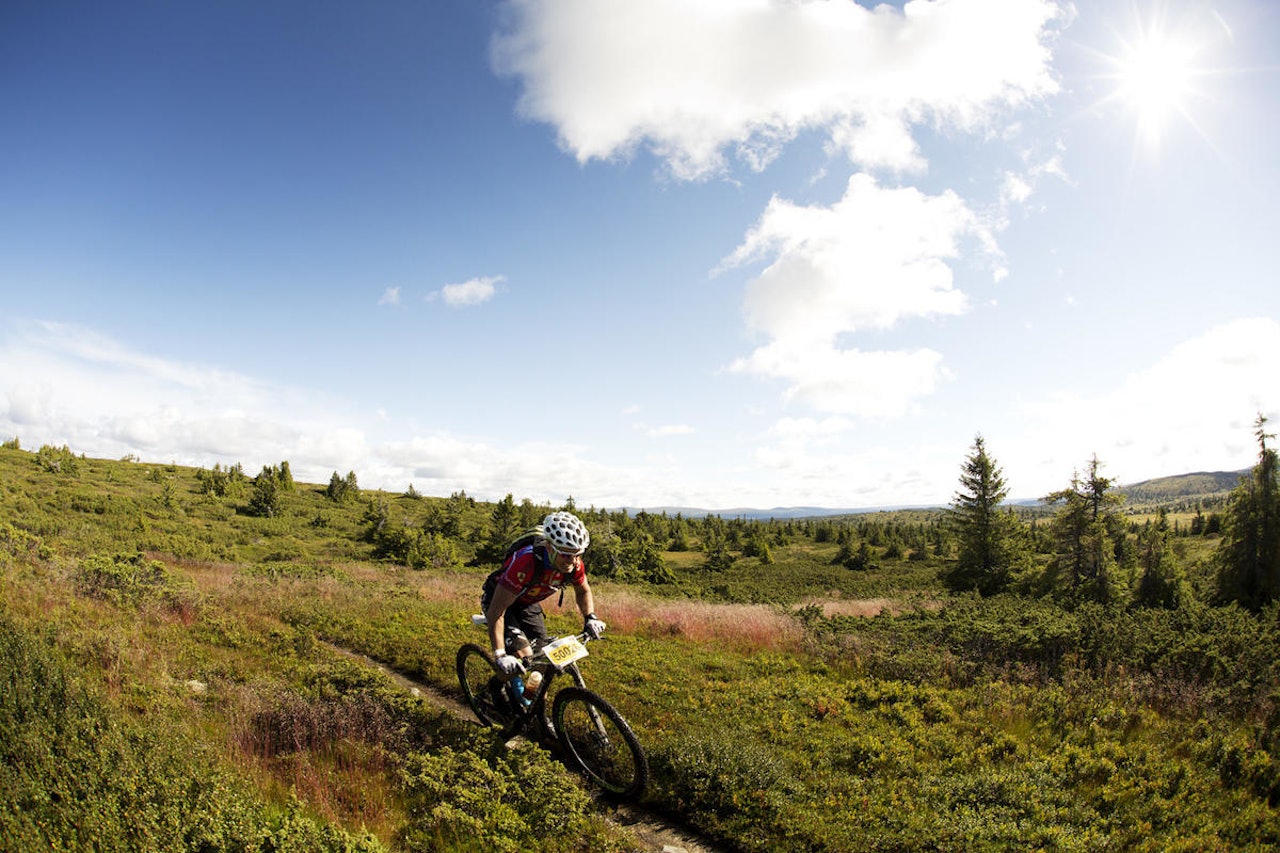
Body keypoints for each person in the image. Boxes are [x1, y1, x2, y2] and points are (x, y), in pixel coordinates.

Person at [482, 510, 606, 679]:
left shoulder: (574, 564)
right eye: (566, 554)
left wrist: (590, 617)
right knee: (524, 656)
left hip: (527, 603)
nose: (572, 561)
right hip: (499, 602)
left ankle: (532, 701)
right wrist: (500, 655)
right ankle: (495, 688)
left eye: (578, 554)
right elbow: (497, 612)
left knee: (543, 659)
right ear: (549, 547)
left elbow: (583, 590)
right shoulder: (525, 563)